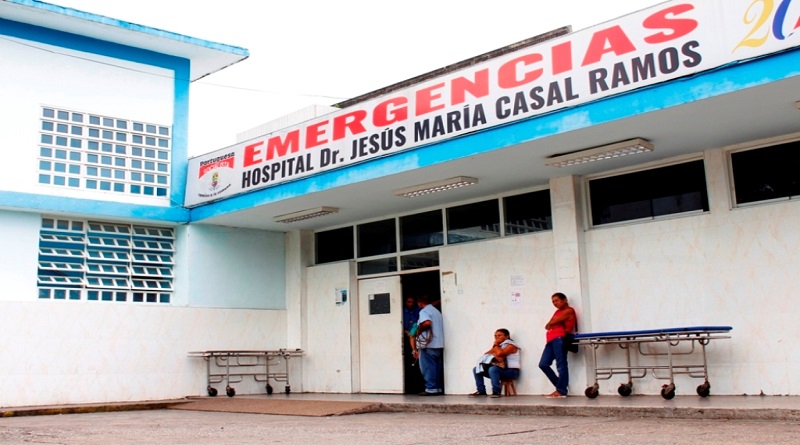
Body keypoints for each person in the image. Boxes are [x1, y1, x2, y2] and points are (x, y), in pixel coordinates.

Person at [539, 292, 576, 398]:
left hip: (560, 339)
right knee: (543, 364)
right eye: (553, 301)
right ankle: (561, 386)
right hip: (550, 340)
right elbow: (547, 326)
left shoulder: (569, 310)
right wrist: (553, 322)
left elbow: (552, 322)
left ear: (565, 300)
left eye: (557, 300)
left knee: (561, 364)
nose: (554, 303)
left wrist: (553, 322)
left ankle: (561, 390)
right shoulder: (557, 312)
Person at [470, 328, 521, 398]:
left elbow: (500, 353)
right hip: (500, 370)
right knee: (476, 369)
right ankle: (481, 391)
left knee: (493, 369)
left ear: (507, 336)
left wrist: (495, 345)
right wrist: (495, 351)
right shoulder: (498, 346)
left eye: (499, 335)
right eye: (495, 336)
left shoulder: (511, 345)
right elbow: (486, 354)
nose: (497, 337)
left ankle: (496, 391)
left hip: (512, 371)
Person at [410, 294, 444, 396]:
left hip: (428, 345)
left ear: (420, 303)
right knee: (436, 368)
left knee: (428, 368)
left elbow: (427, 323)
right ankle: (437, 388)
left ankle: (431, 388)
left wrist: (419, 331)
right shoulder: (437, 312)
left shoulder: (424, 311)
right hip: (438, 344)